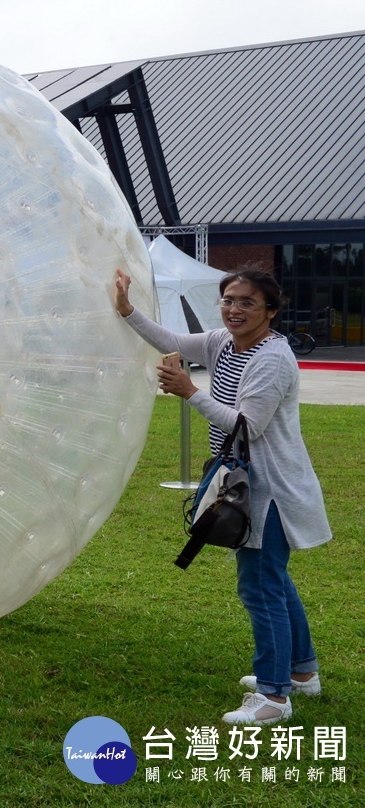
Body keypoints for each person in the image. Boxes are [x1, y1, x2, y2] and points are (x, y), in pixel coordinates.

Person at [114, 267, 332, 726]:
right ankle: (301, 672)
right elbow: (171, 338)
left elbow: (247, 426)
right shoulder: (222, 343)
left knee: (260, 585)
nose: (234, 309)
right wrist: (128, 310)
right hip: (243, 480)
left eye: (247, 303)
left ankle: (274, 697)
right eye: (229, 300)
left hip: (270, 489)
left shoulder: (271, 359)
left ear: (271, 311)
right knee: (273, 578)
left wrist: (189, 391)